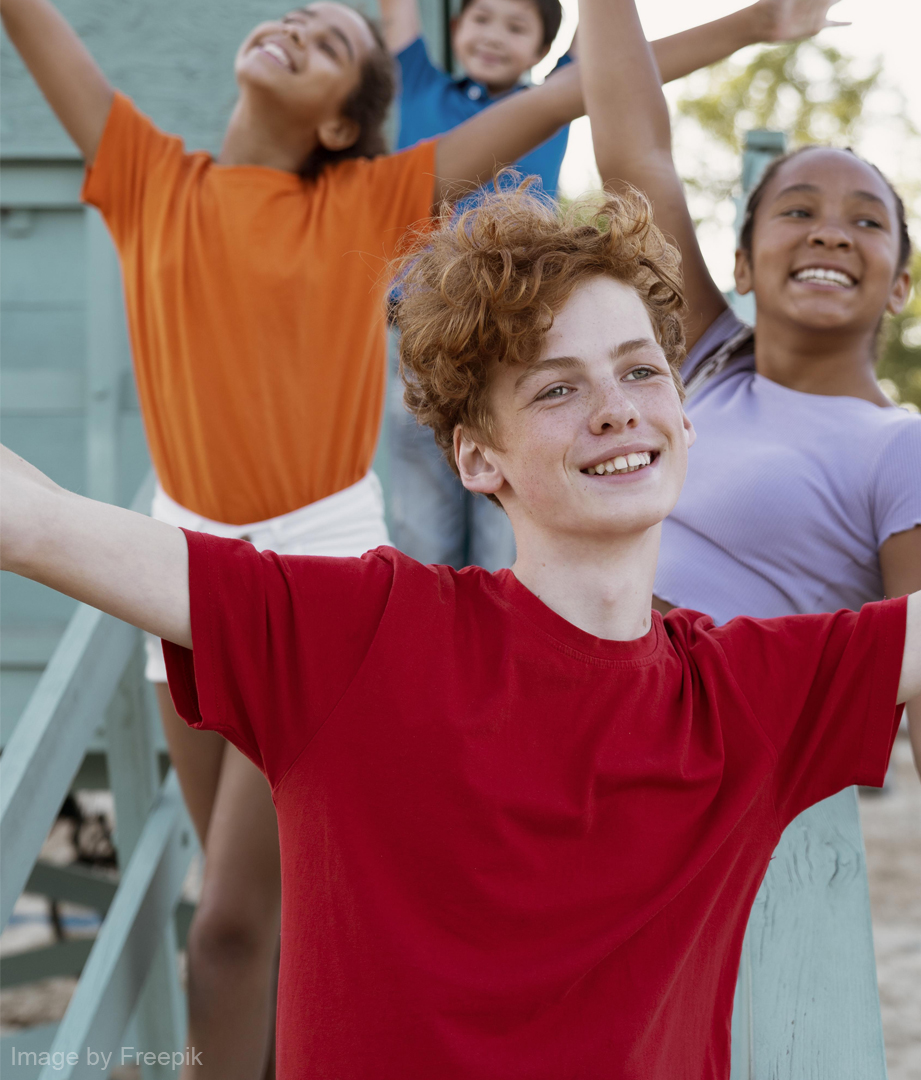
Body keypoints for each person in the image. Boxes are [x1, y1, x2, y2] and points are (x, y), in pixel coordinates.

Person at [3, 182, 921, 1078]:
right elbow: (37, 520)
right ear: (479, 459)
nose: (616, 408)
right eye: (558, 387)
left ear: (682, 417)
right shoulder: (357, 632)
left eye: (641, 371)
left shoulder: (750, 692)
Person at [0, 1, 591, 1074]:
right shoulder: (147, 176)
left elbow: (568, 91)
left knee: (226, 928)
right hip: (175, 562)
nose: (295, 31)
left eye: (329, 46)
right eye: (294, 18)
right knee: (264, 910)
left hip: (318, 566)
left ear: (337, 124)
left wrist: (742, 30)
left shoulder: (368, 201)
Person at [576, 0, 921, 1074]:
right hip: (580, 765)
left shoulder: (910, 452)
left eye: (867, 220)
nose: (829, 230)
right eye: (795, 209)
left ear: (898, 281)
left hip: (729, 814)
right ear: (745, 259)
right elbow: (633, 141)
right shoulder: (699, 365)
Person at [377, 0, 855, 574]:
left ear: (539, 50)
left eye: (516, 26)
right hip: (412, 339)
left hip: (519, 337)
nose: (495, 35)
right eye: (482, 18)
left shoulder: (551, 99)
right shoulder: (417, 81)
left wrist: (754, 25)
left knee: (505, 526)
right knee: (421, 525)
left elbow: (622, 59)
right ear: (456, 29)